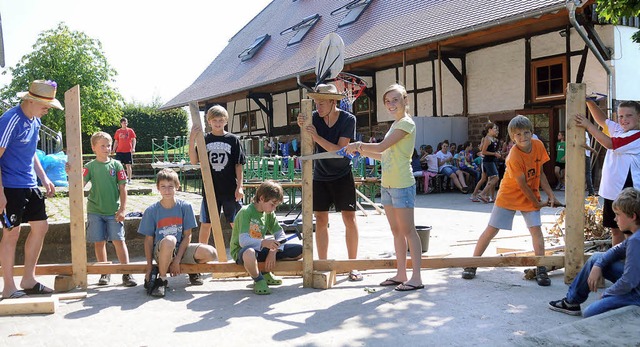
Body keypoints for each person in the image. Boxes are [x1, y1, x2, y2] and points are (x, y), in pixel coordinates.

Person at [461, 115, 561, 286]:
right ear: (512, 138)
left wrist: (551, 195)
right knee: (492, 229)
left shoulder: (538, 146)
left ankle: (541, 267)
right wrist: (537, 204)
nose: (523, 137)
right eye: (518, 135)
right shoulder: (514, 155)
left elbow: (541, 173)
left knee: (536, 230)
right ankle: (473, 263)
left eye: (526, 133)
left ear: (532, 132)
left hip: (531, 192)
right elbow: (522, 184)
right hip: (509, 194)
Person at [346, 84, 423, 291]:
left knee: (409, 231)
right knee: (396, 231)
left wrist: (357, 145)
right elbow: (382, 155)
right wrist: (361, 150)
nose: (391, 104)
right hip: (388, 184)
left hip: (402, 185)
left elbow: (380, 147)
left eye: (395, 99)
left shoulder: (406, 124)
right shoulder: (395, 124)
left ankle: (416, 278)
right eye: (387, 101)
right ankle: (401, 274)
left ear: (405, 101)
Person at [0, 80, 61, 299]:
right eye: (46, 106)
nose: (48, 110)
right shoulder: (10, 120)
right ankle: (8, 287)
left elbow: (31, 151)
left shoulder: (34, 120)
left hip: (29, 184)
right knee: (11, 233)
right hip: (10, 186)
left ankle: (28, 279)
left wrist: (44, 177)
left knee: (41, 227)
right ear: (31, 100)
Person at [297, 83, 362, 282]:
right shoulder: (313, 117)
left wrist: (315, 136)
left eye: (322, 102)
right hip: (320, 175)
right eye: (316, 102)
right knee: (321, 220)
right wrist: (301, 123)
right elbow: (305, 137)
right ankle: (323, 263)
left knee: (349, 219)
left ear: (334, 102)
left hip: (342, 174)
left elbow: (339, 152)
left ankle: (353, 265)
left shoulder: (348, 119)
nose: (318, 106)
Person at [548, 187, 640, 317]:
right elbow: (616, 250)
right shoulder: (635, 236)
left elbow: (628, 281)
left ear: (633, 216)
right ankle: (571, 303)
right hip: (635, 284)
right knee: (596, 258)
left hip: (636, 293)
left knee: (590, 313)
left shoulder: (636, 240)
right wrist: (598, 266)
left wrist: (607, 293)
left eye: (618, 214)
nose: (615, 219)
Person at [137, 168, 217, 298]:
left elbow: (187, 235)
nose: (167, 190)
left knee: (211, 253)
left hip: (180, 248)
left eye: (170, 186)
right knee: (170, 240)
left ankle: (192, 269)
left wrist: (177, 261)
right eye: (163, 186)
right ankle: (162, 280)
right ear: (158, 188)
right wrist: (149, 267)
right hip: (162, 249)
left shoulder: (185, 207)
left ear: (177, 187)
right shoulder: (151, 211)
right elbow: (148, 240)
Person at [580, 99, 640, 246]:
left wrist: (588, 125)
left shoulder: (637, 136)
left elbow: (610, 143)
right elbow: (602, 120)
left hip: (627, 191)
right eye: (620, 116)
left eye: (628, 116)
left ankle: (630, 262)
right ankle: (615, 260)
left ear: (639, 117)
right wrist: (590, 103)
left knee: (629, 231)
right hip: (612, 191)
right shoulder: (620, 129)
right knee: (615, 229)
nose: (624, 120)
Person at [83, 132, 137, 286]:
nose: (107, 148)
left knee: (119, 240)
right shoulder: (89, 167)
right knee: (99, 242)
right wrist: (71, 173)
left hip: (114, 210)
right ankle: (105, 271)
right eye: (102, 146)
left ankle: (127, 272)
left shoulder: (117, 165)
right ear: (94, 148)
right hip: (95, 211)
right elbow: (79, 183)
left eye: (108, 145)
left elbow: (123, 188)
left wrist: (123, 209)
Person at [230, 180, 303, 295]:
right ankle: (258, 279)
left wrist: (273, 251)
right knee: (249, 252)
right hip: (243, 252)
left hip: (260, 250)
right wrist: (264, 243)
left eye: (276, 205)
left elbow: (280, 235)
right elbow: (243, 241)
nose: (274, 208)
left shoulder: (269, 213)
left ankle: (264, 272)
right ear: (262, 198)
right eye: (272, 204)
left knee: (300, 250)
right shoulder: (246, 212)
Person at [188, 105, 245, 247]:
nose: (218, 123)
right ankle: (201, 253)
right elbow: (194, 160)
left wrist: (240, 187)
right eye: (215, 120)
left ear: (226, 121)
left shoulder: (233, 140)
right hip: (210, 188)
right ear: (209, 122)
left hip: (230, 188)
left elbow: (239, 164)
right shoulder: (204, 139)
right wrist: (192, 139)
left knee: (236, 222)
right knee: (206, 223)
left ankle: (244, 250)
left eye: (221, 120)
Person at [477, 123, 501, 203]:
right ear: (489, 130)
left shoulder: (492, 139)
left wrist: (496, 153)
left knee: (491, 178)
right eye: (494, 128)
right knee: (496, 177)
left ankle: (488, 196)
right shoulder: (487, 139)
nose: (496, 130)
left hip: (491, 160)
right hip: (488, 161)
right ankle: (483, 193)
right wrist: (494, 154)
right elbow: (483, 151)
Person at [112, 117, 136, 184]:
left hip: (128, 151)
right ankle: (118, 179)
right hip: (119, 151)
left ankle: (129, 179)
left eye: (126, 123)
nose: (125, 124)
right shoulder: (118, 131)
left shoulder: (130, 130)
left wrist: (133, 148)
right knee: (117, 165)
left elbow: (134, 140)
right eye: (124, 123)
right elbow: (116, 141)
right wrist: (113, 149)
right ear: (121, 123)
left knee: (128, 165)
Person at [583, 132, 596, 196]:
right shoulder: (584, 133)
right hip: (585, 154)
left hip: (582, 154)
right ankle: (591, 191)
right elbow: (584, 144)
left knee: (585, 173)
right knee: (588, 173)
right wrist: (592, 150)